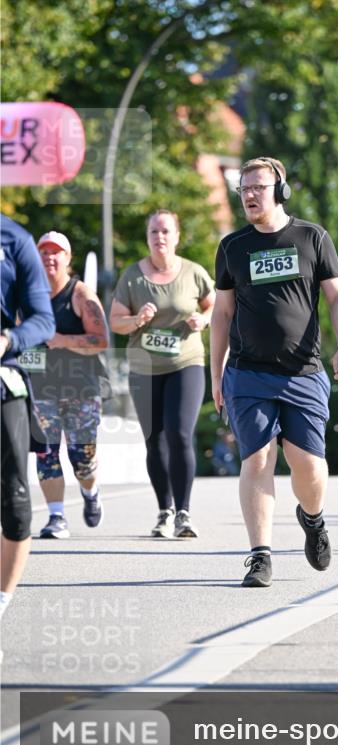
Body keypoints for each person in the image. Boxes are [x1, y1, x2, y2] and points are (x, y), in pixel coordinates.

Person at [210, 156, 338, 588]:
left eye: (258, 187)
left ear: (280, 191)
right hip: (248, 372)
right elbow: (222, 314)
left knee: (307, 466)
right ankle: (260, 556)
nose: (250, 195)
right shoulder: (233, 247)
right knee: (257, 457)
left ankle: (313, 520)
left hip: (304, 372)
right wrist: (215, 373)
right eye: (244, 189)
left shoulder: (312, 238)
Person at [110, 210, 215, 538]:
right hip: (144, 367)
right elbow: (116, 321)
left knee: (180, 434)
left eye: (166, 231)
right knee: (154, 440)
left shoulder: (193, 272)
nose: (160, 237)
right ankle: (164, 510)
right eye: (154, 232)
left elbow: (217, 305)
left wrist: (203, 319)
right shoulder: (132, 276)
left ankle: (184, 512)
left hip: (186, 363)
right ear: (148, 237)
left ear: (177, 236)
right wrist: (138, 320)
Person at [29, 232, 109, 539]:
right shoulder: (27, 294)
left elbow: (101, 340)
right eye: (44, 252)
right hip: (41, 387)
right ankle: (56, 516)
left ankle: (90, 492)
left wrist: (62, 341)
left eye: (56, 252)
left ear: (68, 258)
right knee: (45, 453)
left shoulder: (80, 295)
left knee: (82, 459)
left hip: (82, 389)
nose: (49, 257)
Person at [1, 216, 55, 617]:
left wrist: (9, 339)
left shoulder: (15, 239)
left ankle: (1, 602)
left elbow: (43, 319)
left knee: (15, 500)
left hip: (4, 380)